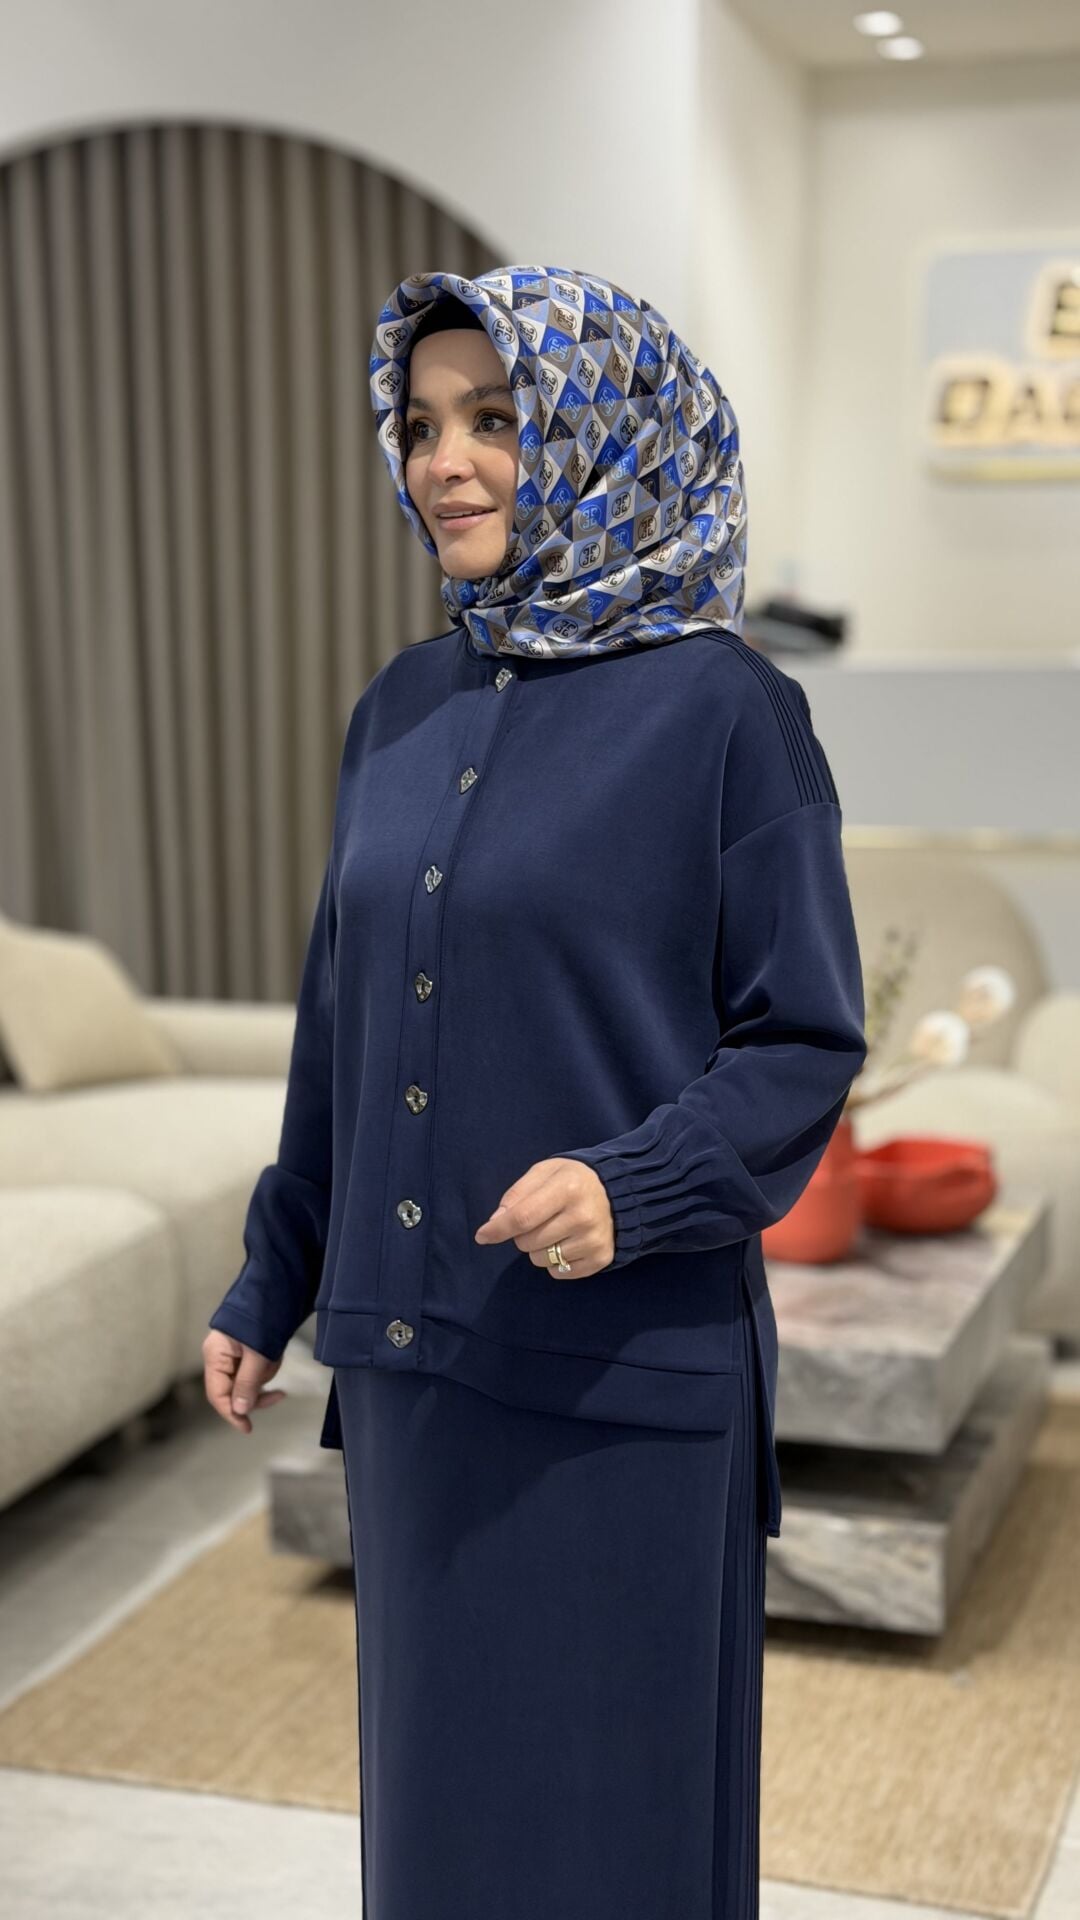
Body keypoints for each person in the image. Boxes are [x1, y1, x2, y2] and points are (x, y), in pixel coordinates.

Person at [204, 264, 867, 1919]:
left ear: (597, 431)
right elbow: (340, 1032)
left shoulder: (730, 711)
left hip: (626, 1384)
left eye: (494, 419)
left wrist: (629, 1185)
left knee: (616, 1838)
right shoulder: (396, 709)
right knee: (440, 1838)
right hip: (414, 1376)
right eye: (421, 425)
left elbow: (803, 1042)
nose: (445, 462)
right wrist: (273, 1276)